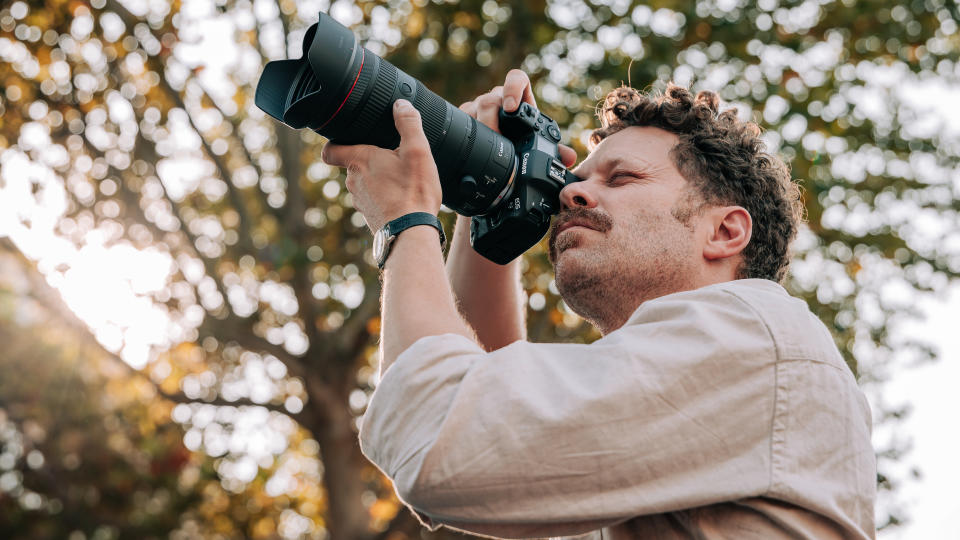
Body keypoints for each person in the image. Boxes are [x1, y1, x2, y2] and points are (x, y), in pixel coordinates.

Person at [321, 69, 876, 539]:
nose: (571, 194)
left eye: (623, 177)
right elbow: (495, 397)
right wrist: (485, 196)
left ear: (725, 231)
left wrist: (407, 219)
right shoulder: (717, 366)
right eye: (575, 179)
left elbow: (442, 428)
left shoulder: (754, 332)